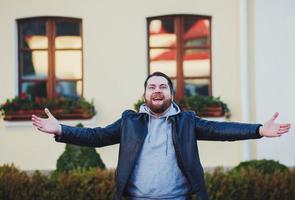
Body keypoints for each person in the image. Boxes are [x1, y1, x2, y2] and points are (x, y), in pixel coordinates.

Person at [32, 72, 291, 200]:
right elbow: (96, 136)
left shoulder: (186, 121)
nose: (157, 91)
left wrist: (258, 130)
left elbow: (221, 130)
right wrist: (61, 130)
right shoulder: (129, 121)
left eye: (163, 87)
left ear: (171, 94)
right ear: (144, 94)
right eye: (152, 87)